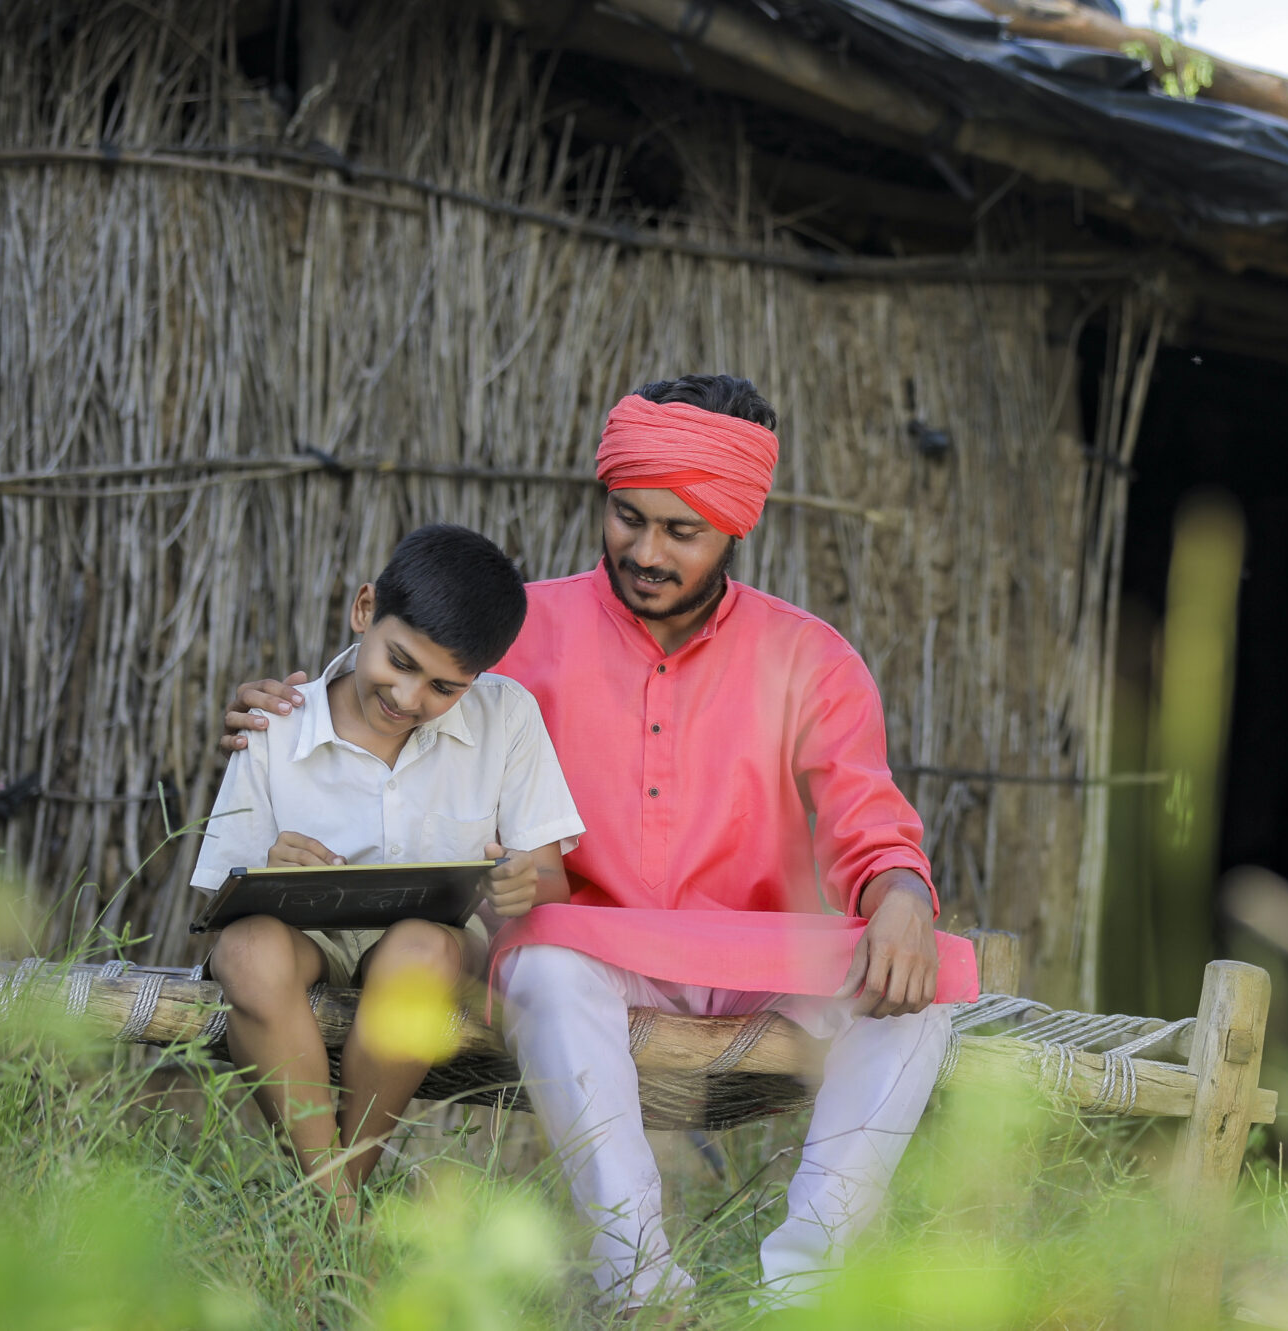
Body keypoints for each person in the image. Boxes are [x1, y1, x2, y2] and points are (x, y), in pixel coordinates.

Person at [223, 375, 976, 1308]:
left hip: (759, 951)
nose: (646, 550)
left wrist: (900, 888)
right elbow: (397, 691)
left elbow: (868, 821)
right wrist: (293, 708)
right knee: (545, 965)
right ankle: (643, 1288)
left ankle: (804, 1292)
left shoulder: (813, 658)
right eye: (628, 517)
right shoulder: (522, 630)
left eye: (680, 530)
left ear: (735, 528)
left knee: (921, 987)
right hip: (583, 948)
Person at [193, 523, 583, 1221]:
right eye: (398, 662)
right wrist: (269, 864)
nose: (407, 696)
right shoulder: (279, 720)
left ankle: (329, 1210)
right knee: (247, 949)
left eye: (443, 686)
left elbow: (549, 877)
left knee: (421, 944)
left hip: (429, 953)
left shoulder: (508, 716)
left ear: (478, 679)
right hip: (302, 942)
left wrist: (522, 881)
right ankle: (344, 1216)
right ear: (365, 610)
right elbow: (218, 897)